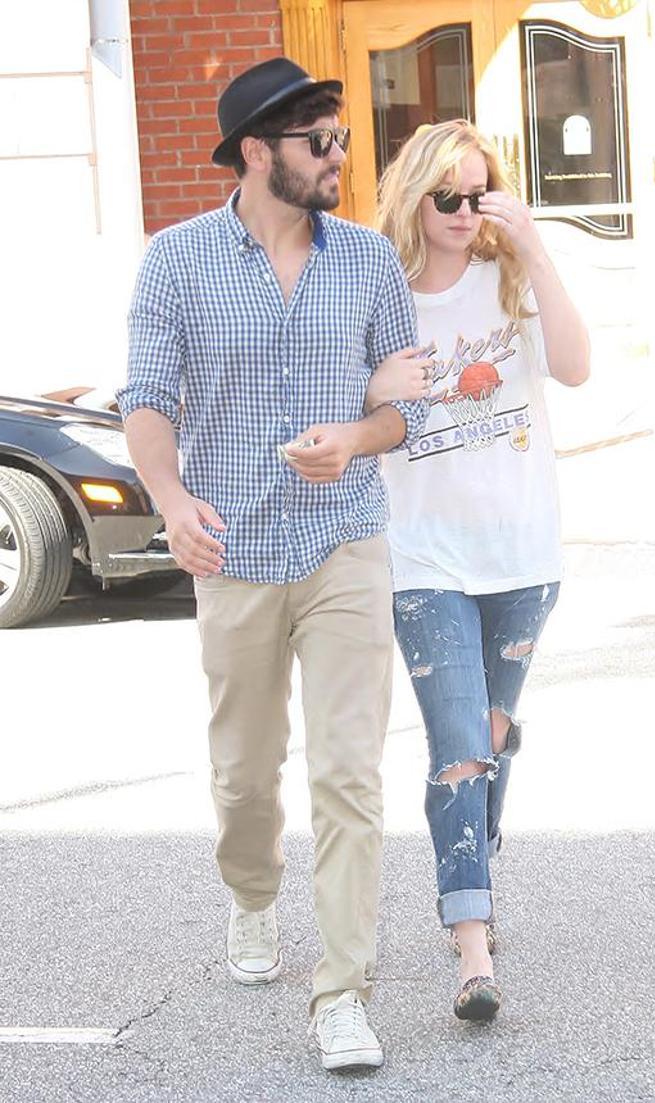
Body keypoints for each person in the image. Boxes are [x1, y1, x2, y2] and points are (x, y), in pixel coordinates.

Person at [117, 57, 429, 1071]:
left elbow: (407, 407)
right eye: (318, 141)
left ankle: (342, 993)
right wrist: (172, 504)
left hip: (344, 538)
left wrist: (356, 437)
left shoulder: (369, 260)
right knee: (246, 772)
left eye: (341, 138)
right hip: (233, 546)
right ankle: (252, 893)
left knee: (348, 772)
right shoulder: (176, 260)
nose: (339, 156)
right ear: (257, 152)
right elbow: (146, 398)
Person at [365, 119, 590, 1022]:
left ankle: (484, 809)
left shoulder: (510, 281)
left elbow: (575, 367)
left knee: (485, 736)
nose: (464, 211)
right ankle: (472, 947)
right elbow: (345, 402)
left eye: (478, 193)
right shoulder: (379, 295)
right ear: (414, 196)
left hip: (523, 556)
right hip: (424, 559)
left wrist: (532, 244)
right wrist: (376, 388)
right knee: (459, 748)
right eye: (447, 195)